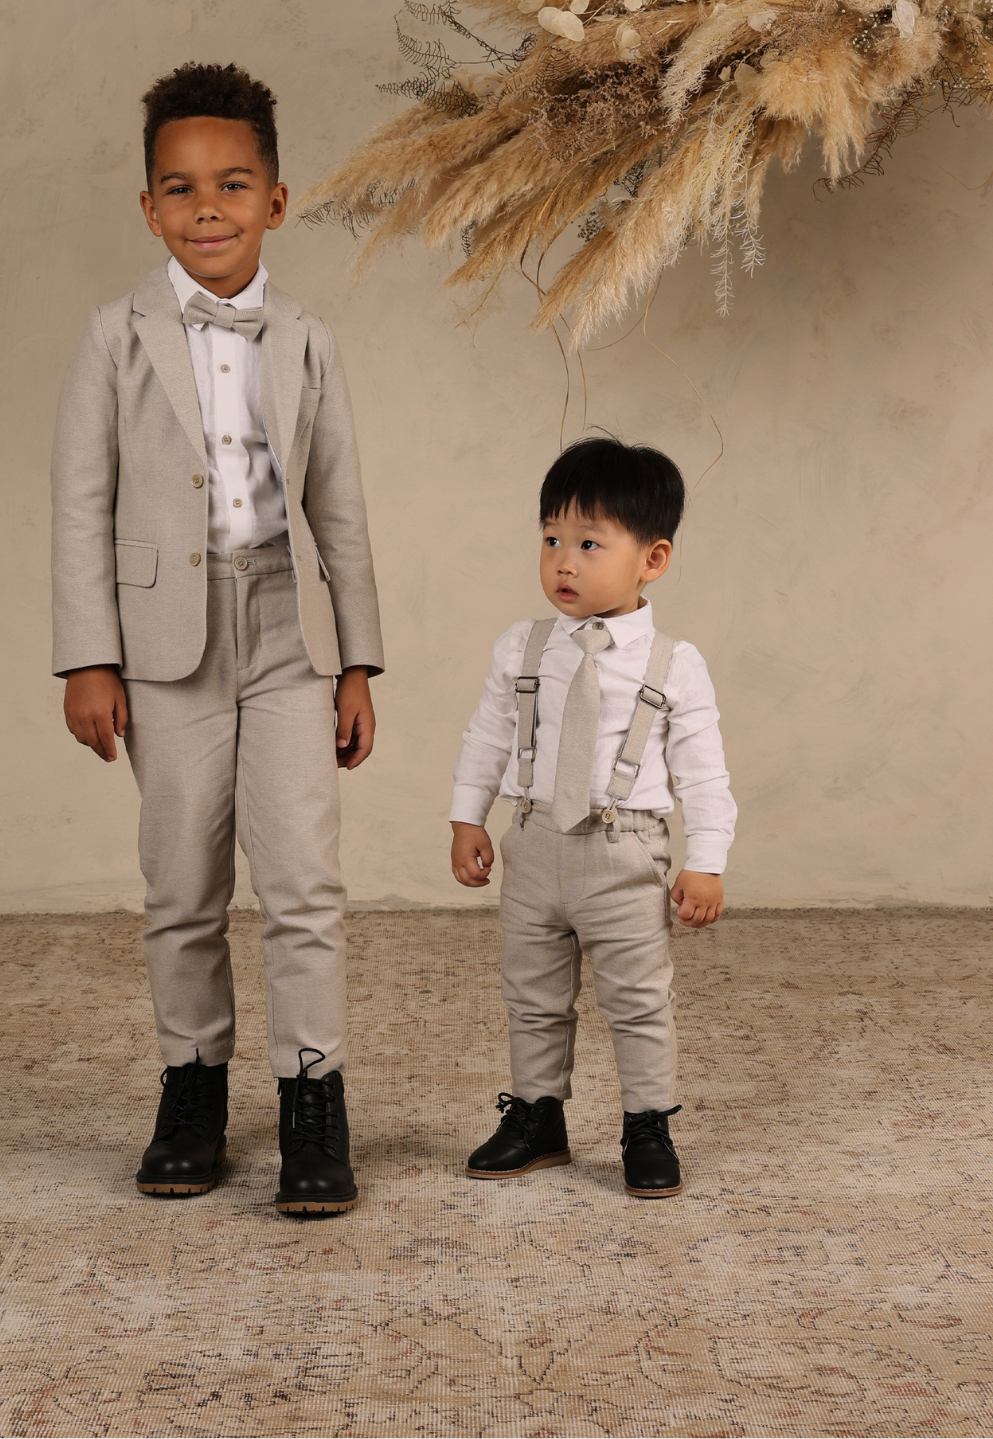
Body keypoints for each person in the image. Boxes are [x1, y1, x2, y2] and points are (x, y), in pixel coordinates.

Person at [51, 62, 383, 1215]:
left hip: (290, 629)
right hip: (162, 643)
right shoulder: (113, 336)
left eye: (232, 185)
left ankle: (311, 1096)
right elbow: (80, 502)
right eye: (180, 188)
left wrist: (357, 661)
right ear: (148, 207)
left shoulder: (309, 339)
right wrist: (86, 655)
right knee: (183, 877)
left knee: (303, 878)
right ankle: (191, 1087)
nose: (207, 208)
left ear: (274, 202)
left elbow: (339, 507)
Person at [449, 437, 735, 1197]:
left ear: (652, 559)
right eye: (550, 541)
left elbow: (703, 771)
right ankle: (537, 1116)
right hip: (533, 842)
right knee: (532, 993)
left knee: (638, 998)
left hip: (624, 853)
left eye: (587, 544)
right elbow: (488, 736)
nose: (563, 563)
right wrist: (467, 817)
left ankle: (647, 1123)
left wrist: (706, 860)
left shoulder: (675, 663)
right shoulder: (523, 646)